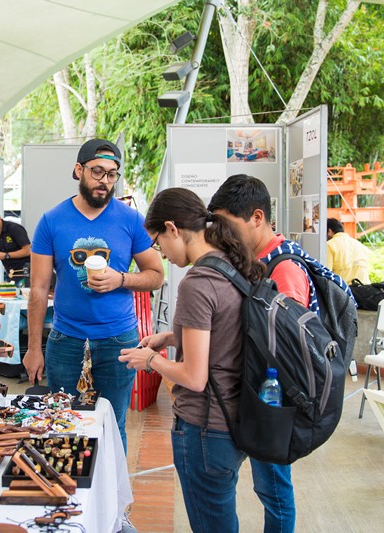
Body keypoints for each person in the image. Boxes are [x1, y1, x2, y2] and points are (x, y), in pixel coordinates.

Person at [119, 187, 264, 532]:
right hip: (233, 421)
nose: (161, 255)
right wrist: (170, 337)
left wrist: (150, 360)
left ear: (172, 228)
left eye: (158, 243)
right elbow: (225, 333)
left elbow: (194, 377)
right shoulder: (231, 264)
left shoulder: (197, 283)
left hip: (205, 428)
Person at [24, 138, 164, 452]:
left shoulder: (130, 219)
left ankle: (113, 486)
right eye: (97, 172)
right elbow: (39, 289)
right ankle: (68, 484)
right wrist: (34, 348)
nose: (104, 181)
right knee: (62, 423)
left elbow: (156, 275)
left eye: (111, 174)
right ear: (79, 170)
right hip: (66, 339)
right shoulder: (51, 221)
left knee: (112, 425)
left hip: (118, 339)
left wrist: (121, 279)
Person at [208, 174, 306, 532]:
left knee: (273, 490)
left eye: (229, 225)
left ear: (257, 218)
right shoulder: (254, 260)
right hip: (254, 391)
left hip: (272, 398)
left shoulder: (285, 267)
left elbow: (289, 345)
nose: (224, 235)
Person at [326, 217, 371, 284]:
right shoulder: (360, 245)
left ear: (329, 231)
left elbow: (326, 273)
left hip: (344, 288)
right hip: (365, 287)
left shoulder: (330, 245)